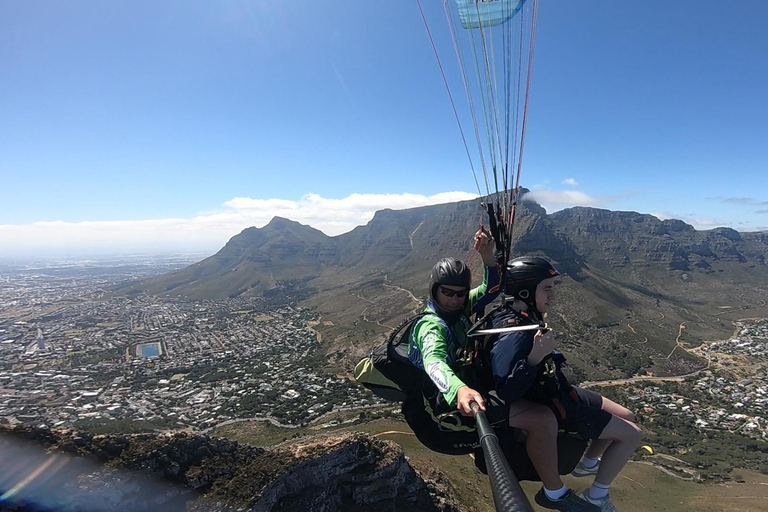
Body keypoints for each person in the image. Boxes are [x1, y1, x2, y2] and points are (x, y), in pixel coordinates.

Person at [488, 256, 642, 512]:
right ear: (526, 292)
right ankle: (597, 495)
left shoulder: (524, 316)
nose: (553, 295)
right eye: (547, 288)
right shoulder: (512, 334)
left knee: (626, 414)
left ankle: (588, 463)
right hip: (558, 404)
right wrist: (535, 358)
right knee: (632, 435)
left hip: (561, 393)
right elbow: (507, 390)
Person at [401, 228, 505, 454]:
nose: (455, 299)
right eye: (447, 293)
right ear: (434, 291)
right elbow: (434, 361)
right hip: (444, 409)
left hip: (467, 389)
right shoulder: (431, 326)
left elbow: (491, 290)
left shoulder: (460, 308)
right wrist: (458, 390)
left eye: (461, 293)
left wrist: (487, 257)